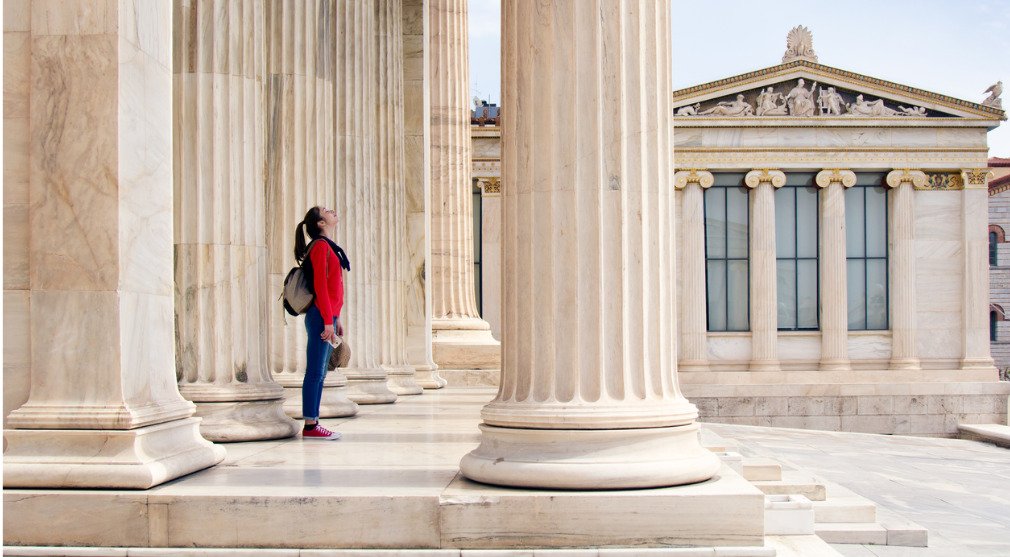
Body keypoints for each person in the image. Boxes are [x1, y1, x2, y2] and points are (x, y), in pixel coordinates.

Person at [293, 206, 351, 440]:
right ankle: (310, 425)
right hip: (320, 316)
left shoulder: (327, 247)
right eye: (326, 210)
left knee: (320, 373)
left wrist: (336, 319)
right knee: (315, 371)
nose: (333, 211)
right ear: (320, 223)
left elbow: (332, 286)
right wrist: (328, 320)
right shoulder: (319, 247)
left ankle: (313, 422)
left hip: (327, 316)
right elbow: (320, 287)